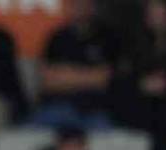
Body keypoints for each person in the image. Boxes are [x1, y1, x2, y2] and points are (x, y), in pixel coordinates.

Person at [33, 0, 117, 130]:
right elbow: (47, 81)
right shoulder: (57, 38)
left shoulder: (108, 37)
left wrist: (65, 75)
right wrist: (89, 76)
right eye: (76, 4)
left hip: (96, 110)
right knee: (28, 135)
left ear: (93, 7)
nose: (80, 8)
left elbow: (105, 79)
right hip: (57, 107)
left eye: (84, 4)